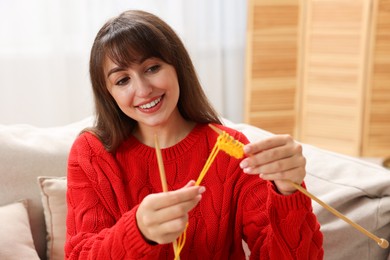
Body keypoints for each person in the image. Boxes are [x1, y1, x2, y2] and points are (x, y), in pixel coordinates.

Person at [65, 10, 323, 259]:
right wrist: (138, 231)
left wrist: (289, 192)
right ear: (108, 94)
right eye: (122, 80)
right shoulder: (92, 152)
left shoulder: (229, 150)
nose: (143, 90)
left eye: (152, 68)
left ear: (177, 66)